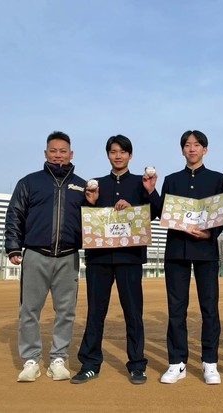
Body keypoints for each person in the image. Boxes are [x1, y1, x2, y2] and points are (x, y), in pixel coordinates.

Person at [70, 135, 161, 385]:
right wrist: (89, 203)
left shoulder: (141, 183)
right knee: (95, 312)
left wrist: (149, 192)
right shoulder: (95, 184)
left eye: (122, 151)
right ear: (108, 155)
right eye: (113, 151)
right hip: (99, 258)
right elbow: (85, 221)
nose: (118, 156)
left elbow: (157, 212)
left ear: (130, 155)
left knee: (133, 312)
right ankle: (90, 364)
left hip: (129, 258)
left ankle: (137, 365)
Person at [5, 131, 90, 382]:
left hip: (68, 256)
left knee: (66, 311)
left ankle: (58, 359)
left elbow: (93, 220)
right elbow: (15, 214)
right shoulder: (29, 182)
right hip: (35, 254)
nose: (58, 155)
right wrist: (13, 247)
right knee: (29, 310)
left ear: (71, 154)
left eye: (63, 151)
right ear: (45, 153)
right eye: (53, 150)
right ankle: (31, 360)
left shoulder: (83, 186)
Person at [158, 130, 223, 385]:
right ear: (182, 150)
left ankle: (210, 362)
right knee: (177, 309)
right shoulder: (171, 180)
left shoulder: (218, 180)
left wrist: (210, 233)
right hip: (177, 250)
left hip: (206, 250)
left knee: (209, 308)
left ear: (205, 150)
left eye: (197, 145)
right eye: (187, 145)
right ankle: (177, 362)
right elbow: (163, 212)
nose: (192, 149)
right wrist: (151, 191)